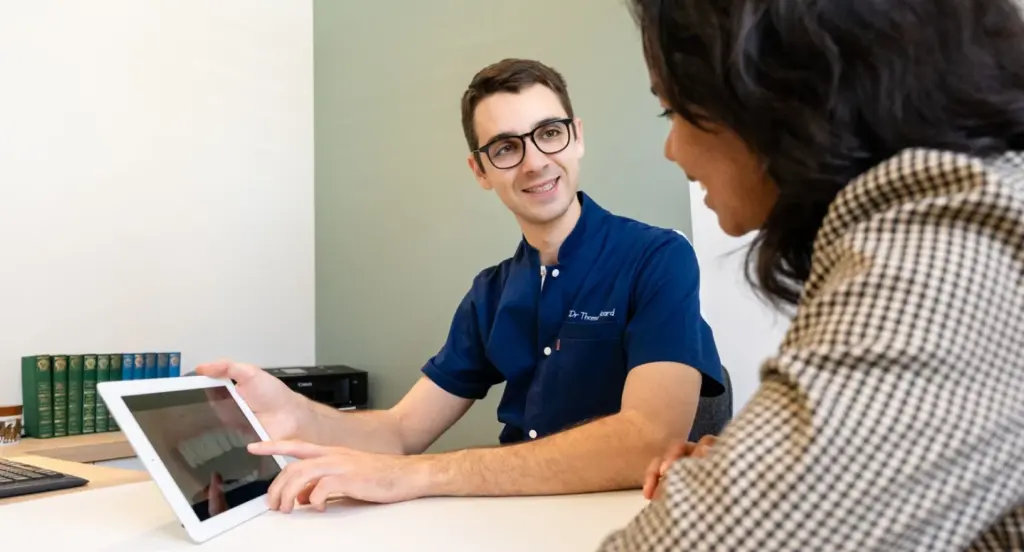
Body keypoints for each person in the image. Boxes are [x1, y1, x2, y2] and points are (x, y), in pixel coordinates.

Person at [196, 58, 725, 511]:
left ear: (577, 136)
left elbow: (649, 440)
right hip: (505, 522)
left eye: (548, 133)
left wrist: (423, 476)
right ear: (480, 169)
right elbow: (401, 433)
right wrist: (296, 413)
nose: (535, 161)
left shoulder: (659, 257)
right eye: (505, 147)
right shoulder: (490, 294)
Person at [598, 0, 1024, 550]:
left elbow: (653, 452)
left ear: (778, 92)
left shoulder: (954, 245)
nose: (672, 149)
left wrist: (748, 485)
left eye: (672, 111)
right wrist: (753, 464)